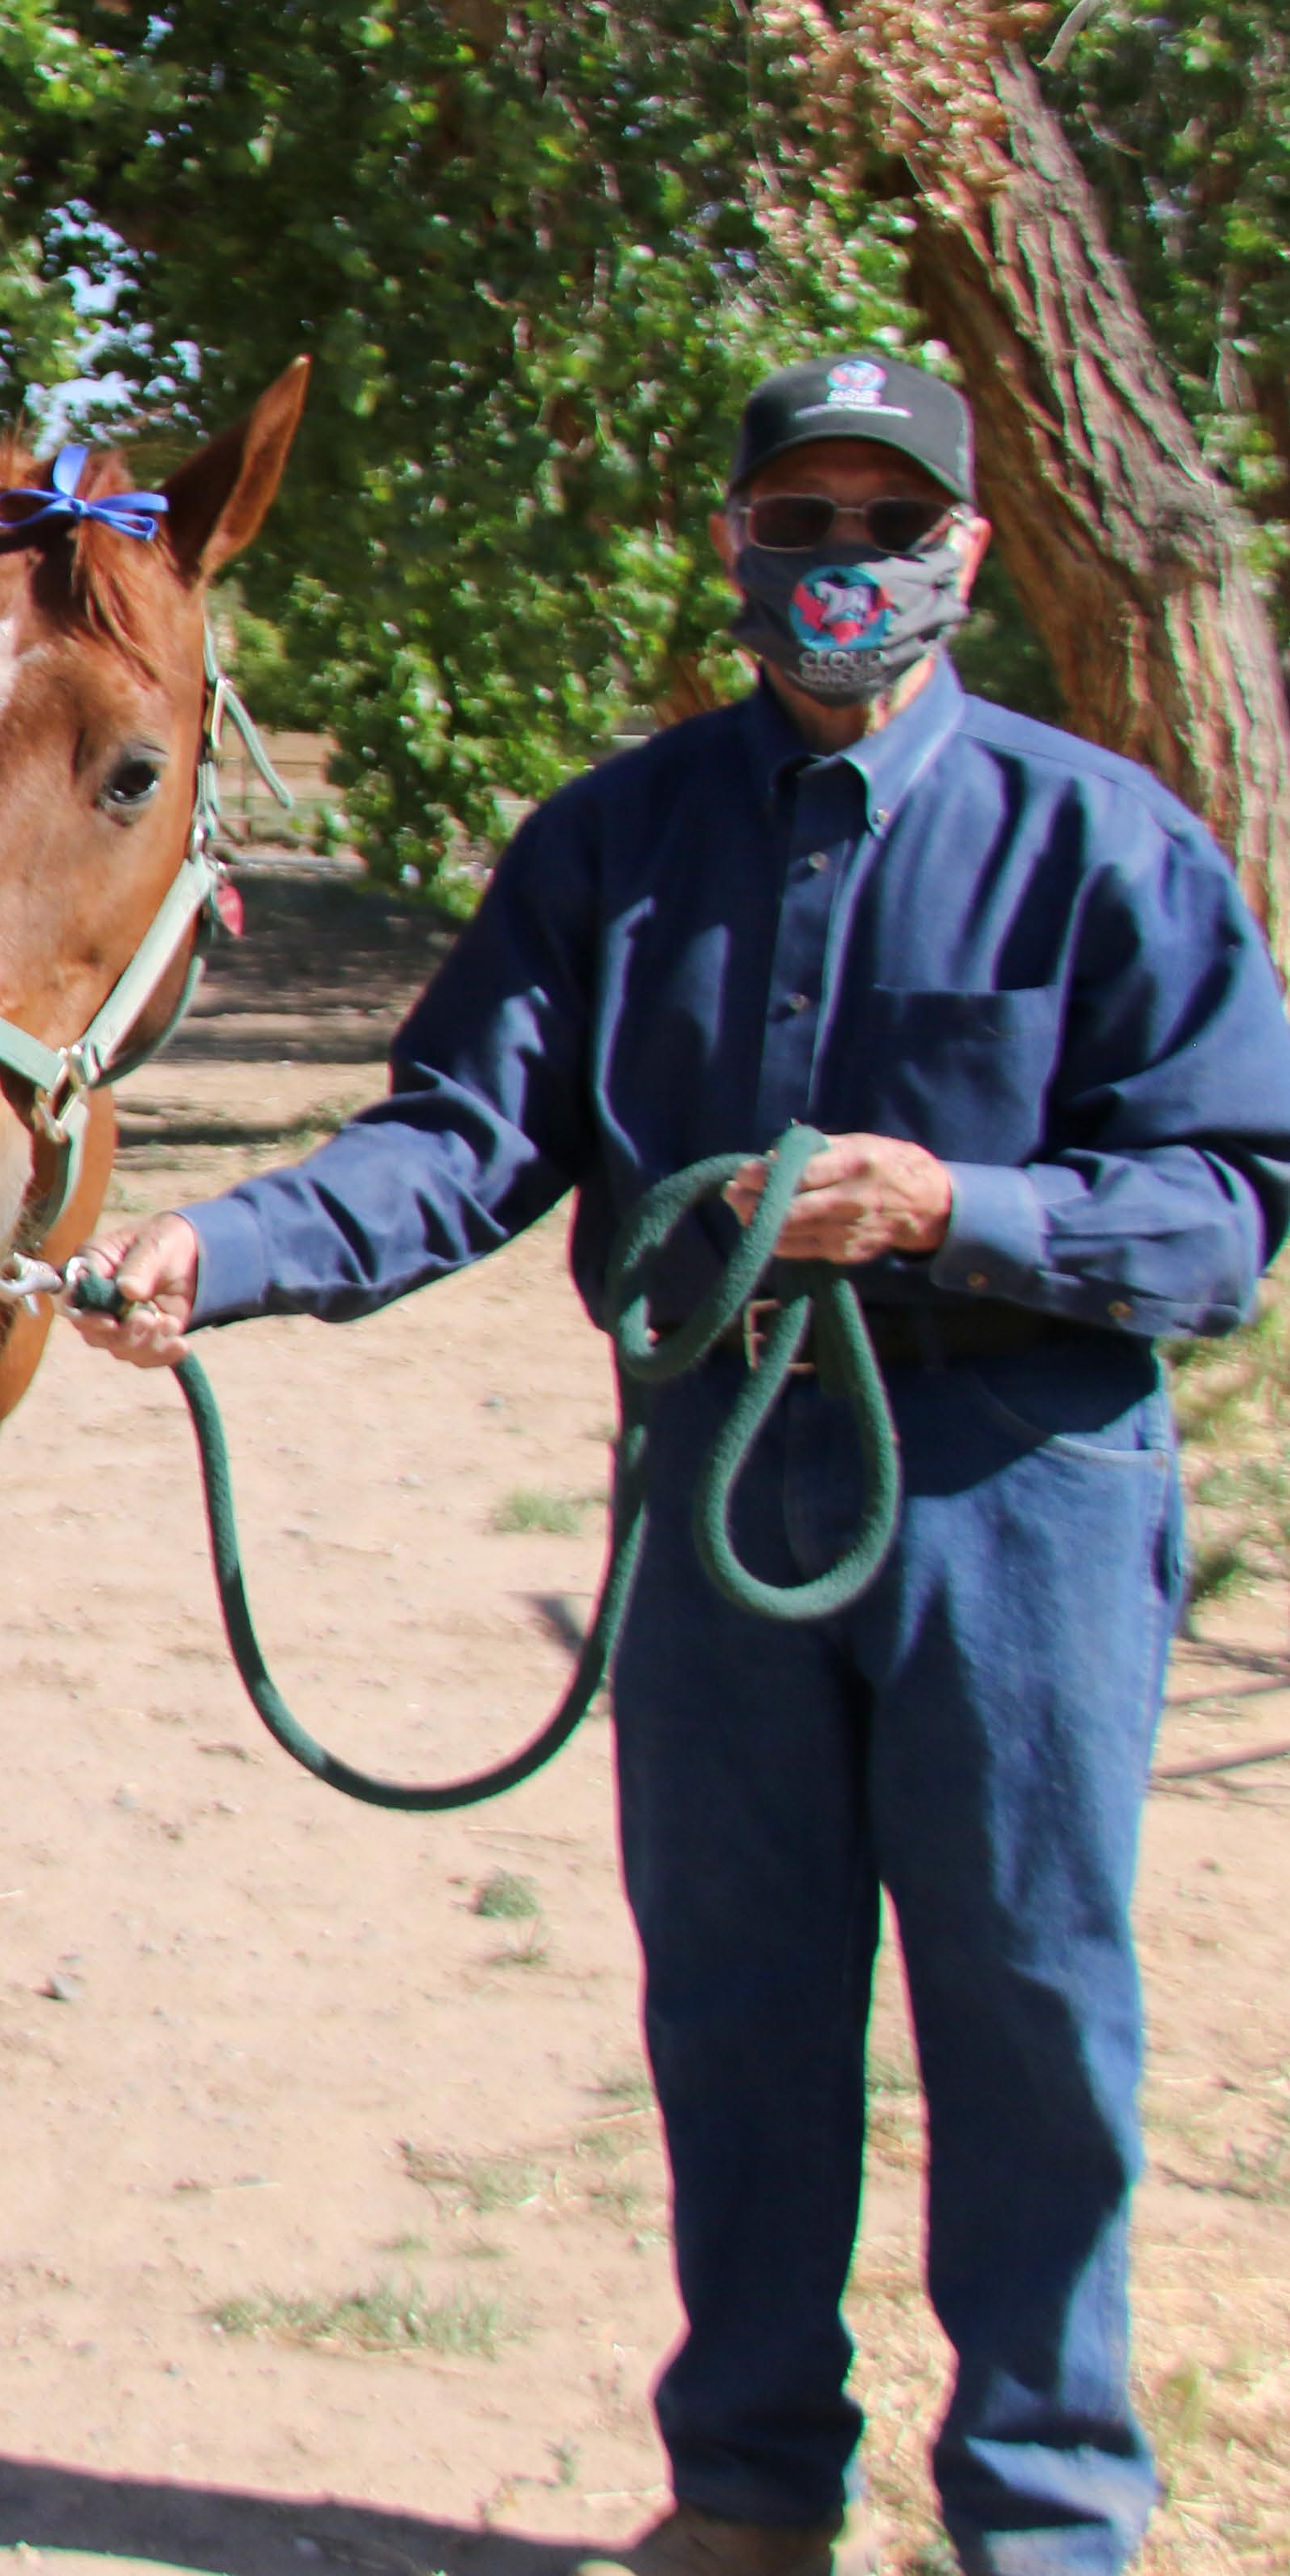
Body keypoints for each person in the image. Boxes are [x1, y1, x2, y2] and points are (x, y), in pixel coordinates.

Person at [72, 354, 1290, 2576]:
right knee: (734, 1999)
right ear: (730, 543)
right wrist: (215, 1247)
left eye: (884, 528)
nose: (841, 568)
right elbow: (461, 1140)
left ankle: (1046, 2507)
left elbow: (1225, 1210)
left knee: (1025, 2002)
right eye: (797, 523)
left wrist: (955, 1209)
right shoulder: (612, 846)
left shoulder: (1103, 841)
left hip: (1019, 1489)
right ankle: (744, 2483)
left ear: (967, 556)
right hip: (719, 1485)